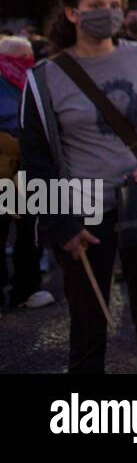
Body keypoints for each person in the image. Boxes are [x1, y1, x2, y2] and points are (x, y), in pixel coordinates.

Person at [19, 0, 137, 373]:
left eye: (114, 6)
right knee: (89, 330)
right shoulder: (45, 78)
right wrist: (62, 225)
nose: (107, 14)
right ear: (72, 13)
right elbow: (35, 163)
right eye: (96, 7)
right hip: (83, 212)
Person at [1, 35, 55, 311]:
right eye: (21, 57)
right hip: (4, 170)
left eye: (28, 56)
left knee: (28, 229)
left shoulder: (33, 81)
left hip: (26, 169)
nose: (27, 61)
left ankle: (26, 289)